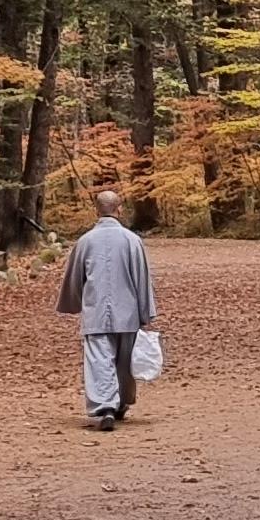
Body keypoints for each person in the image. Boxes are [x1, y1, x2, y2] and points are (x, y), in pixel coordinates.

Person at [57, 183, 158, 433]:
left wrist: (75, 301)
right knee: (124, 361)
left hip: (96, 310)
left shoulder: (85, 241)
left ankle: (106, 406)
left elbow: (75, 277)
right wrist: (146, 311)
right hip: (128, 311)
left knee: (99, 359)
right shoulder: (132, 241)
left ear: (97, 211)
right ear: (119, 209)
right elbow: (141, 277)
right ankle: (120, 403)